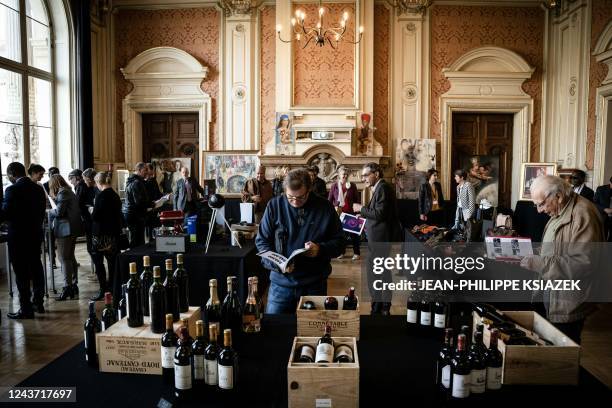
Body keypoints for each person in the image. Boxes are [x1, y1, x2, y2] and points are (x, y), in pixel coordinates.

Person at [520, 175, 604, 344]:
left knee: (563, 356)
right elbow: (556, 247)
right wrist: (531, 252)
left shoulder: (583, 214)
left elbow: (583, 263)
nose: (539, 210)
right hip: (552, 294)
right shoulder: (562, 207)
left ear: (558, 196)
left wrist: (540, 263)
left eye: (541, 204)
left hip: (567, 302)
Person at [256, 168, 345, 314]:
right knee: (276, 330)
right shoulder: (274, 205)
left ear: (309, 190)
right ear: (284, 191)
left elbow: (340, 243)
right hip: (281, 284)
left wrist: (320, 249)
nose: (296, 202)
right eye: (290, 198)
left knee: (314, 332)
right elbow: (261, 242)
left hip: (314, 283)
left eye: (301, 197)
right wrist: (279, 264)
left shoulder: (325, 207)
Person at [353, 162, 401, 315]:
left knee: (376, 272)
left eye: (366, 175)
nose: (364, 178)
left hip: (381, 239)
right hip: (378, 239)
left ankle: (379, 305)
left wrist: (361, 209)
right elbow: (378, 212)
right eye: (362, 176)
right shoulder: (380, 188)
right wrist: (364, 214)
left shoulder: (383, 188)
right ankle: (382, 305)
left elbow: (380, 214)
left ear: (376, 174)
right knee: (381, 272)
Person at [1, 162, 47, 319]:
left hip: (19, 237)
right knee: (36, 268)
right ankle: (38, 302)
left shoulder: (12, 190)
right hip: (35, 235)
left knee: (21, 273)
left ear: (12, 174)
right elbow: (42, 212)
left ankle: (26, 308)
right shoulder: (38, 189)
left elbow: (5, 214)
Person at [48, 174, 83, 301]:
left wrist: (48, 211)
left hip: (65, 230)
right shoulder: (68, 191)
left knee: (63, 258)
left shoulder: (63, 193)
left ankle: (67, 287)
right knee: (70, 257)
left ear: (54, 184)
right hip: (71, 228)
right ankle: (73, 285)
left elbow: (58, 212)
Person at [90, 172, 123, 301]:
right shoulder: (115, 195)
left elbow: (95, 217)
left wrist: (91, 210)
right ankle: (114, 289)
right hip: (113, 234)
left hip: (100, 235)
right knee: (112, 263)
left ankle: (103, 289)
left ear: (99, 182)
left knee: (98, 263)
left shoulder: (100, 196)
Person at [328, 166, 361, 260]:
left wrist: (358, 212)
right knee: (341, 235)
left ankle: (356, 253)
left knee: (354, 234)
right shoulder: (334, 186)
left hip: (350, 212)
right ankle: (341, 252)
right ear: (339, 175)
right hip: (338, 214)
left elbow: (356, 199)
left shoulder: (352, 185)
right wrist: (332, 208)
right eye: (343, 174)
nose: (345, 176)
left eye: (347, 174)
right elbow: (330, 200)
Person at [122, 162, 150, 248]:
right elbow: (139, 202)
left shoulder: (132, 180)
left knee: (136, 238)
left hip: (131, 214)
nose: (147, 172)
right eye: (145, 170)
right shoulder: (137, 182)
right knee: (137, 241)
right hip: (135, 215)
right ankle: (136, 259)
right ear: (139, 170)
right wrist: (150, 205)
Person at [145, 163, 163, 240]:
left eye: (151, 169)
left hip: (155, 207)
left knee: (155, 227)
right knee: (149, 227)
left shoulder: (153, 180)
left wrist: (164, 197)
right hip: (149, 207)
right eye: (149, 169)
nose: (151, 171)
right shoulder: (144, 182)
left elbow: (158, 193)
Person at [593, 175, 612, 241]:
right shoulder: (601, 189)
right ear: (610, 183)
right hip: (603, 219)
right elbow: (594, 203)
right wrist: (604, 209)